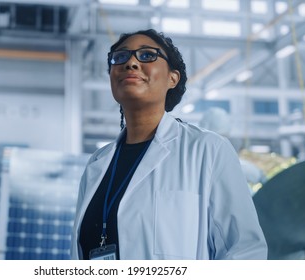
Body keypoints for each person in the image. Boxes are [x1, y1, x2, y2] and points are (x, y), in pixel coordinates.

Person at [70, 29, 267, 260]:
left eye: (147, 55)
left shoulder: (207, 150)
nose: (131, 62)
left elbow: (244, 251)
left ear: (172, 78)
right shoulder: (97, 164)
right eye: (120, 57)